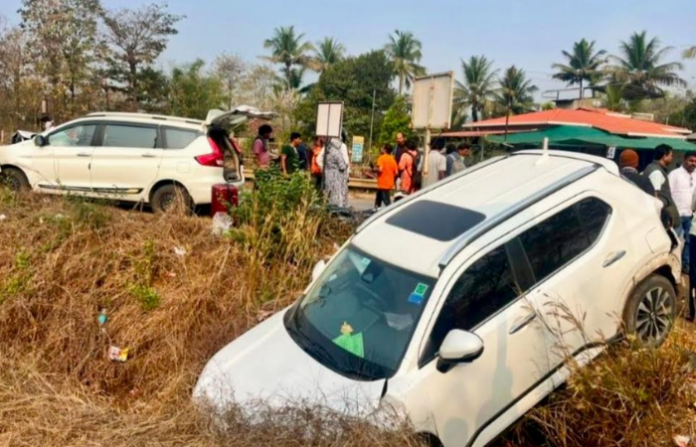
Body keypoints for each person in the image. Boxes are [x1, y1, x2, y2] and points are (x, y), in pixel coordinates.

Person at [669, 151, 696, 270]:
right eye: (691, 160)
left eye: (695, 161)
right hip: (677, 215)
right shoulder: (674, 174)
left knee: (689, 242)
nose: (693, 163)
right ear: (685, 160)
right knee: (673, 241)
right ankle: (669, 264)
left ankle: (686, 265)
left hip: (691, 214)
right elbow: (668, 194)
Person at [644, 144, 680, 230]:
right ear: (664, 156)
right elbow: (655, 197)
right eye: (671, 155)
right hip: (661, 218)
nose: (672, 158)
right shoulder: (657, 172)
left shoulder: (653, 168)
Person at [323, 137, 349, 207]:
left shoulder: (327, 152)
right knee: (336, 192)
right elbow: (342, 166)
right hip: (336, 176)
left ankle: (329, 205)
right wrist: (346, 166)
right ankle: (337, 207)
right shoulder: (337, 153)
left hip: (328, 174)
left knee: (329, 191)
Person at [374, 143, 399, 209]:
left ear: (385, 150)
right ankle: (376, 208)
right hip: (390, 183)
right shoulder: (393, 159)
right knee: (378, 197)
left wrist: (374, 169)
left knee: (386, 201)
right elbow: (396, 172)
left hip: (383, 183)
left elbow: (380, 169)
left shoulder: (381, 158)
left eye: (382, 148)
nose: (381, 149)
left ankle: (390, 210)